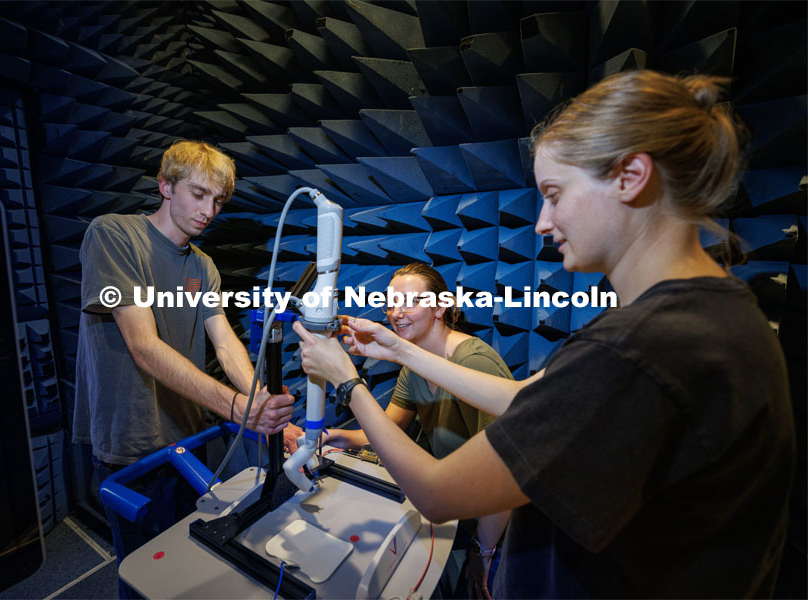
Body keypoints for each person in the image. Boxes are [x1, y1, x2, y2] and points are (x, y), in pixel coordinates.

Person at [293, 70, 795, 598]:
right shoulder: (706, 317)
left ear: (630, 176)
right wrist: (396, 348)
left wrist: (346, 381)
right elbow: (524, 399)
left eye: (554, 193)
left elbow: (438, 494)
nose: (541, 222)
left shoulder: (641, 349)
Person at [72, 140, 294, 596]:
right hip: (132, 441)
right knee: (145, 574)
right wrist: (236, 407)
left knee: (188, 565)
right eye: (198, 194)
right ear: (165, 186)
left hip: (188, 437)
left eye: (218, 201)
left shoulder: (204, 265)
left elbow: (226, 344)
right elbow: (143, 346)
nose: (208, 211)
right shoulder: (113, 234)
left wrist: (262, 406)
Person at [284, 262, 514, 597]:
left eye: (409, 302)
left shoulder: (474, 361)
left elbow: (503, 475)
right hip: (458, 512)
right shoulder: (415, 364)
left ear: (441, 306)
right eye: (391, 303)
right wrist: (334, 436)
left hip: (499, 524)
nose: (397, 313)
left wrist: (485, 551)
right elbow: (387, 431)